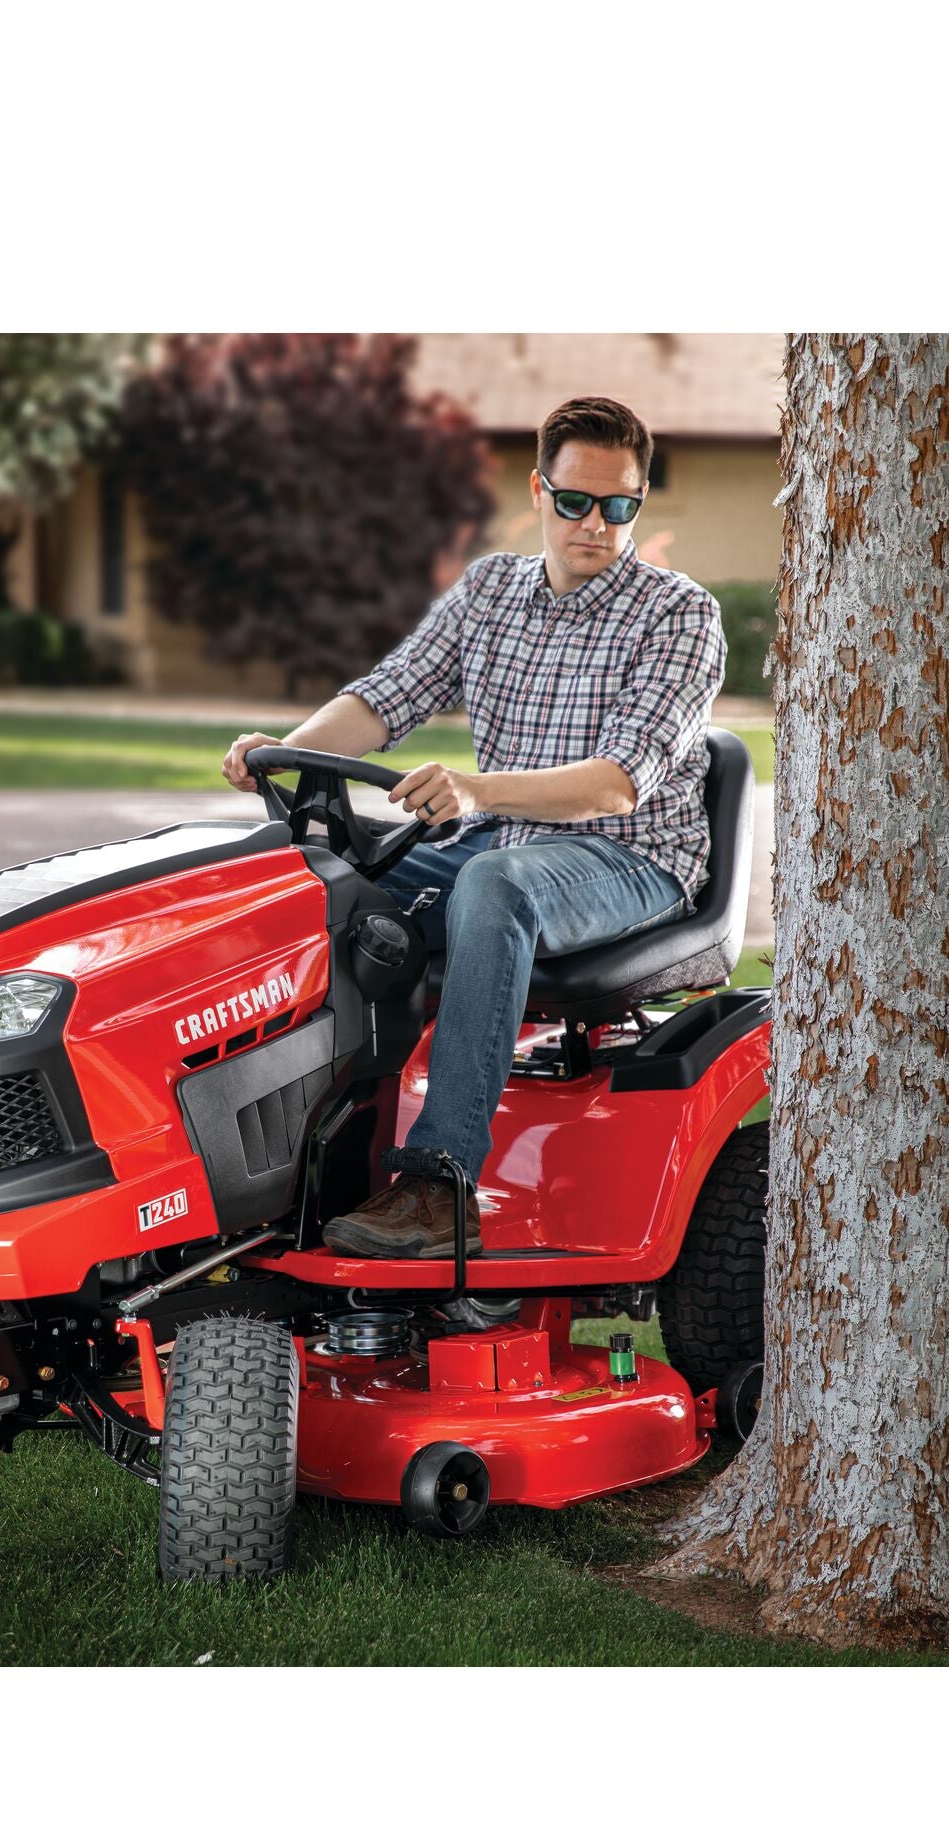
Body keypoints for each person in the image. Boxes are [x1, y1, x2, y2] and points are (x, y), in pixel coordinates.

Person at [223, 396, 727, 1258]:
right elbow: (387, 698)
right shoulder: (493, 592)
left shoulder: (681, 615)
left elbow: (615, 787)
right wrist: (286, 751)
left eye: (620, 506)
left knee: (496, 884)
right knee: (309, 883)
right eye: (576, 501)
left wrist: (475, 788)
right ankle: (287, 1162)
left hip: (631, 857)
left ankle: (439, 1184)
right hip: (507, 842)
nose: (596, 525)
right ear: (539, 490)